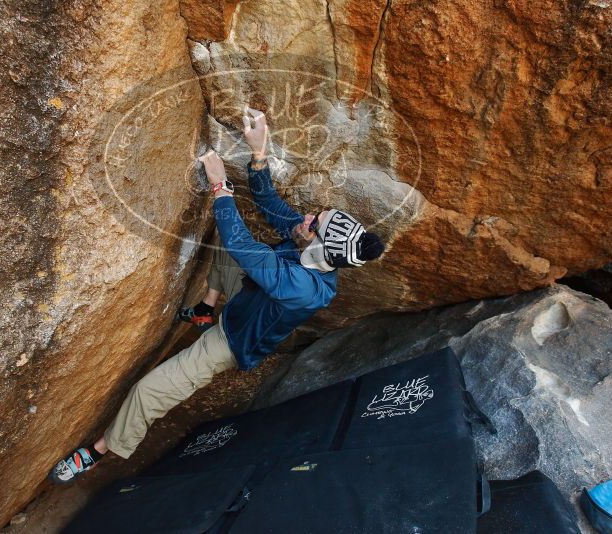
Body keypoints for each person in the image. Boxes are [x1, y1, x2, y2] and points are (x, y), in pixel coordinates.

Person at [48, 107, 385, 483]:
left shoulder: (306, 289)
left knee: (148, 391)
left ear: (323, 247)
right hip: (248, 299)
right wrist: (259, 152)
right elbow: (270, 204)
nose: (306, 218)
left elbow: (244, 246)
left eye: (314, 223)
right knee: (229, 250)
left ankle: (99, 450)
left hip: (233, 340)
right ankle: (205, 309)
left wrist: (220, 187)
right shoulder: (309, 246)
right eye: (315, 215)